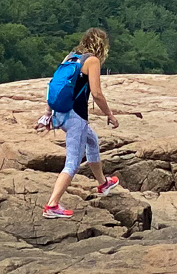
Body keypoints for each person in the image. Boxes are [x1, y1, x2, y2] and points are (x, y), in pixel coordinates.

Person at [40, 27, 119, 218]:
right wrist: (109, 115)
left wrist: (48, 114)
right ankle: (52, 205)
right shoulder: (92, 61)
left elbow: (53, 85)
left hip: (60, 113)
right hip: (76, 117)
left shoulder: (70, 57)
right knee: (73, 163)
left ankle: (103, 183)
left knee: (92, 140)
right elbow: (97, 93)